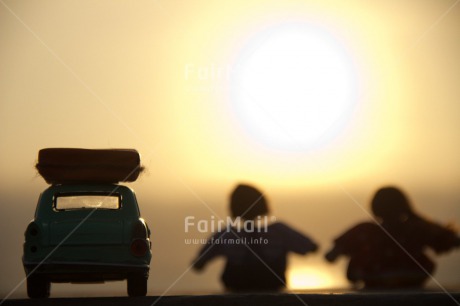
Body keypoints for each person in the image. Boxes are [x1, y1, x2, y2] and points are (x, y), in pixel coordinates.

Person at [325, 186, 460, 289]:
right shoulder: (417, 227)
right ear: (404, 206)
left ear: (374, 207)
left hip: (374, 277)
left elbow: (330, 256)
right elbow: (453, 241)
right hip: (413, 275)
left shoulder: (365, 229)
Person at [192, 183, 318, 292]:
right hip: (273, 292)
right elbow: (312, 248)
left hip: (236, 293)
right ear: (263, 205)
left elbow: (198, 265)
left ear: (232, 208)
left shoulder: (227, 234)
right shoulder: (279, 231)